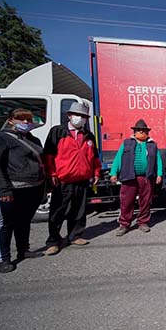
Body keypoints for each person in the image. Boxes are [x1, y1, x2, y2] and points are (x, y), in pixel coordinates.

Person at [0, 108, 45, 273]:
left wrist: (43, 187)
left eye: (28, 119)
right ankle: (3, 259)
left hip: (32, 189)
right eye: (21, 119)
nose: (26, 122)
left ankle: (23, 250)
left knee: (24, 222)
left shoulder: (34, 140)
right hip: (10, 190)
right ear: (11, 120)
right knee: (4, 224)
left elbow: (41, 164)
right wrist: (4, 190)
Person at [43, 101, 101, 255]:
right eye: (77, 115)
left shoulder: (89, 135)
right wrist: (52, 174)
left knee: (79, 210)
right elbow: (48, 155)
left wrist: (96, 173)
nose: (80, 118)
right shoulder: (57, 132)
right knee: (58, 211)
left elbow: (94, 157)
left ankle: (75, 235)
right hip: (63, 180)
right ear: (69, 115)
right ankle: (53, 241)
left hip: (82, 179)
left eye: (83, 116)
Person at [110, 119, 163, 236]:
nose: (142, 132)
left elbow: (158, 160)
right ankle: (124, 224)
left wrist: (159, 174)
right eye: (139, 130)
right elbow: (118, 158)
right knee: (126, 201)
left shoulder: (152, 145)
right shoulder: (127, 143)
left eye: (144, 130)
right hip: (129, 177)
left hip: (146, 177)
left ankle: (143, 222)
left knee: (145, 201)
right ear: (134, 132)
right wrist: (113, 172)